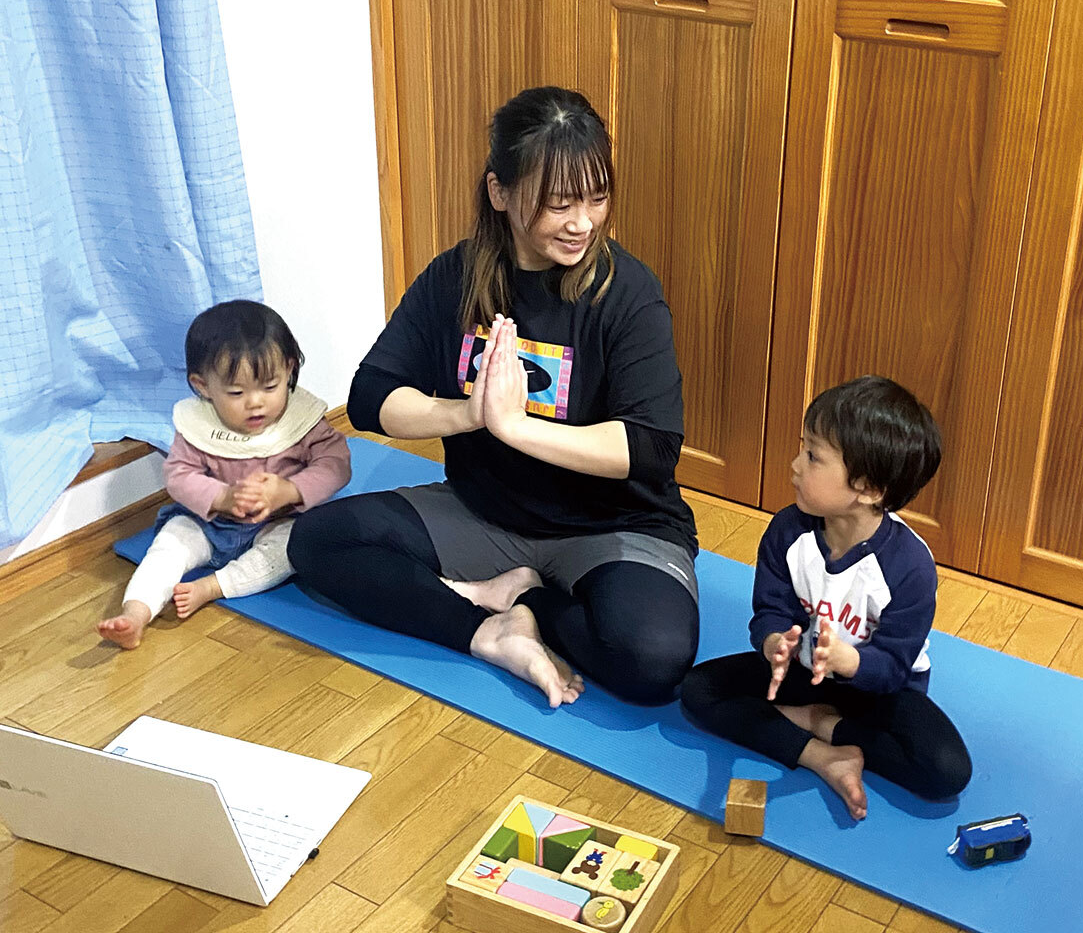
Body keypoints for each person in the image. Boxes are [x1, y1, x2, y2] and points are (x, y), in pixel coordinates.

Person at [287, 86, 699, 708]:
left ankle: (525, 598)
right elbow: (370, 398)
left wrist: (515, 428)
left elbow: (650, 449)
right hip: (486, 515)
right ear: (499, 192)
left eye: (596, 198)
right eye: (559, 203)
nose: (583, 223)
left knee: (651, 659)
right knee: (318, 541)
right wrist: (467, 414)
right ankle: (489, 630)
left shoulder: (628, 293)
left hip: (614, 525)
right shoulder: (454, 278)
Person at [681, 376, 971, 820]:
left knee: (947, 772)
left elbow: (894, 665)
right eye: (804, 449)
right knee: (698, 690)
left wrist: (848, 662)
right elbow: (770, 610)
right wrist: (773, 643)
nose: (795, 465)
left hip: (880, 691)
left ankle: (822, 723)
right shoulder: (788, 531)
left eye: (813, 456)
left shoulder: (910, 566)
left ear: (868, 489)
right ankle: (820, 755)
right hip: (804, 675)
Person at [97, 301, 352, 649]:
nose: (255, 402)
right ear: (203, 386)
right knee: (169, 547)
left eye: (270, 386)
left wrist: (290, 490)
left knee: (293, 548)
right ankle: (135, 613)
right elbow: (179, 474)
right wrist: (222, 497)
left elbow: (336, 464)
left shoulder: (302, 420)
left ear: (289, 369)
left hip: (280, 520)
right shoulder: (198, 424)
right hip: (210, 523)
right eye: (236, 392)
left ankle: (213, 586)